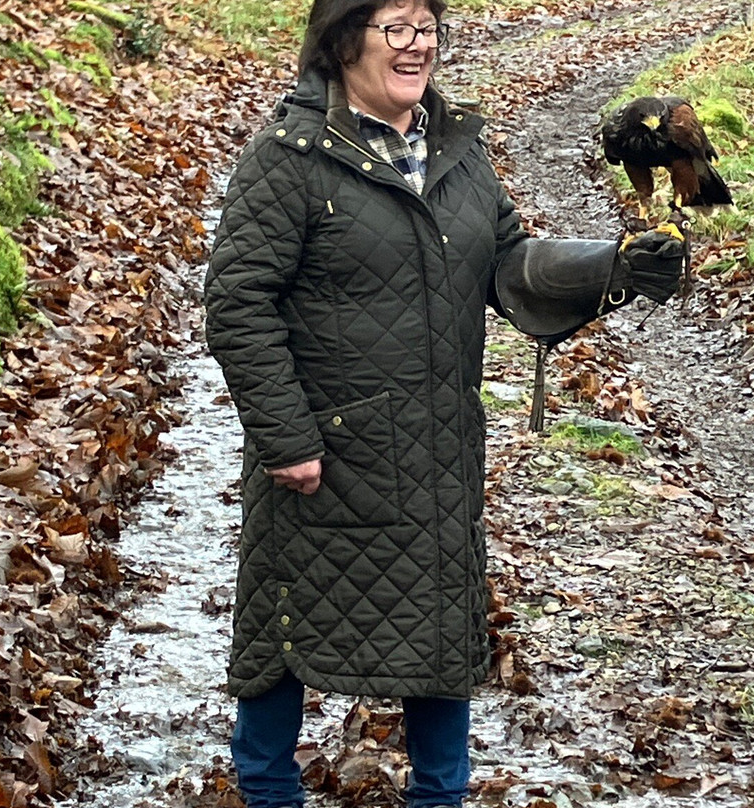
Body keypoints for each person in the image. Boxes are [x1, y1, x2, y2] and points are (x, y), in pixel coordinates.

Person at [202, 0, 685, 806]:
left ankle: (439, 798)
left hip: (436, 449)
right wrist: (286, 440)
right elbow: (238, 304)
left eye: (427, 25)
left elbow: (507, 261)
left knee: (436, 635)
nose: (418, 42)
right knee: (279, 637)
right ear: (342, 38)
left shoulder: (457, 150)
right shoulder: (287, 158)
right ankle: (267, 794)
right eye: (396, 25)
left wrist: (614, 266)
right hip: (318, 459)